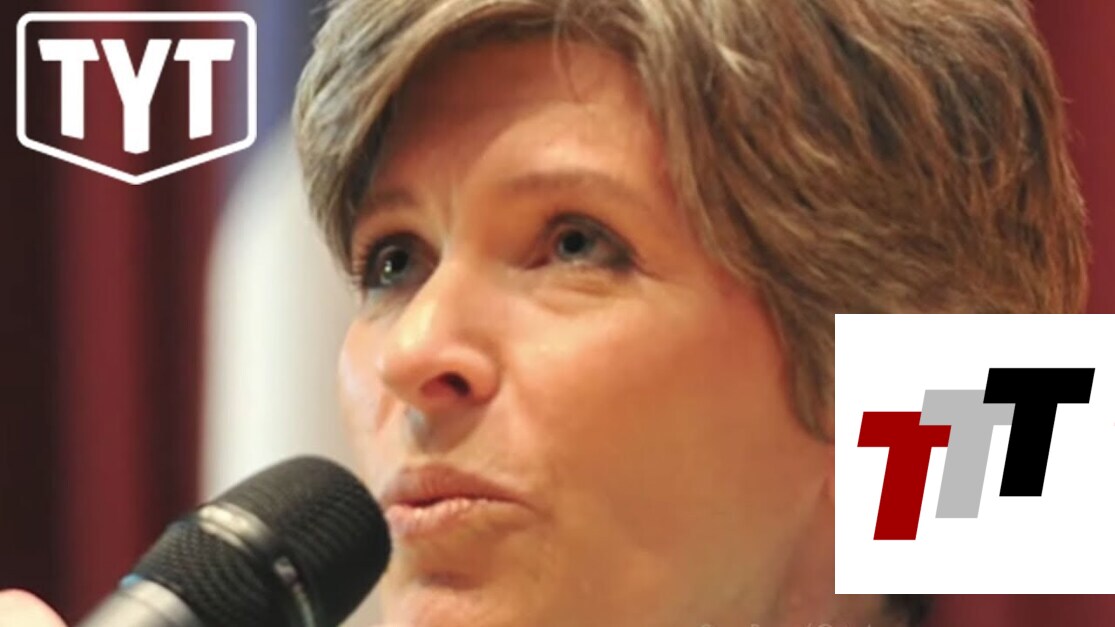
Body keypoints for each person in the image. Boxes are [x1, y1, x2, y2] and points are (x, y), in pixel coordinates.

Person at [1, 0, 1088, 625]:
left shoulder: (975, 423)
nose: (413, 349)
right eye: (392, 261)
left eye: (576, 243)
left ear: (898, 378)